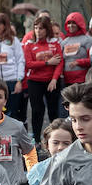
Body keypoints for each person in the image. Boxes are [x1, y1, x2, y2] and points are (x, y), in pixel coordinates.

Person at [22, 14, 64, 142]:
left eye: (41, 28)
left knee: (53, 111)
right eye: (36, 28)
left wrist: (54, 79)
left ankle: (55, 137)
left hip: (51, 81)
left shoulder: (54, 43)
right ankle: (37, 139)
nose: (38, 31)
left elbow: (60, 62)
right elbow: (29, 64)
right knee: (37, 111)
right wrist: (46, 63)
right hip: (35, 81)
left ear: (47, 30)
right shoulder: (29, 44)